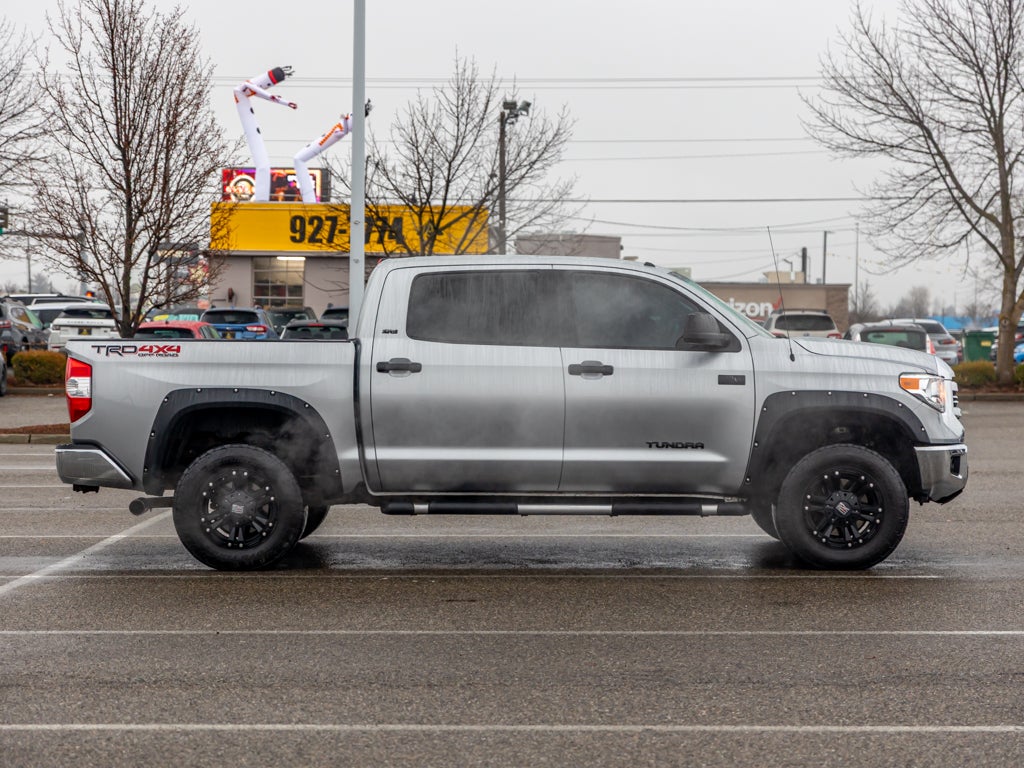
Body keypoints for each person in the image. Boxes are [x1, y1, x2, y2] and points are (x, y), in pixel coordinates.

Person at [233, 66, 298, 201]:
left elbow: (259, 92)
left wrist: (281, 101)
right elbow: (256, 89)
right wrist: (277, 99)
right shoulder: (241, 89)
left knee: (263, 164)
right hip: (250, 123)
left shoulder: (244, 91)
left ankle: (262, 199)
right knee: (263, 165)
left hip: (251, 122)